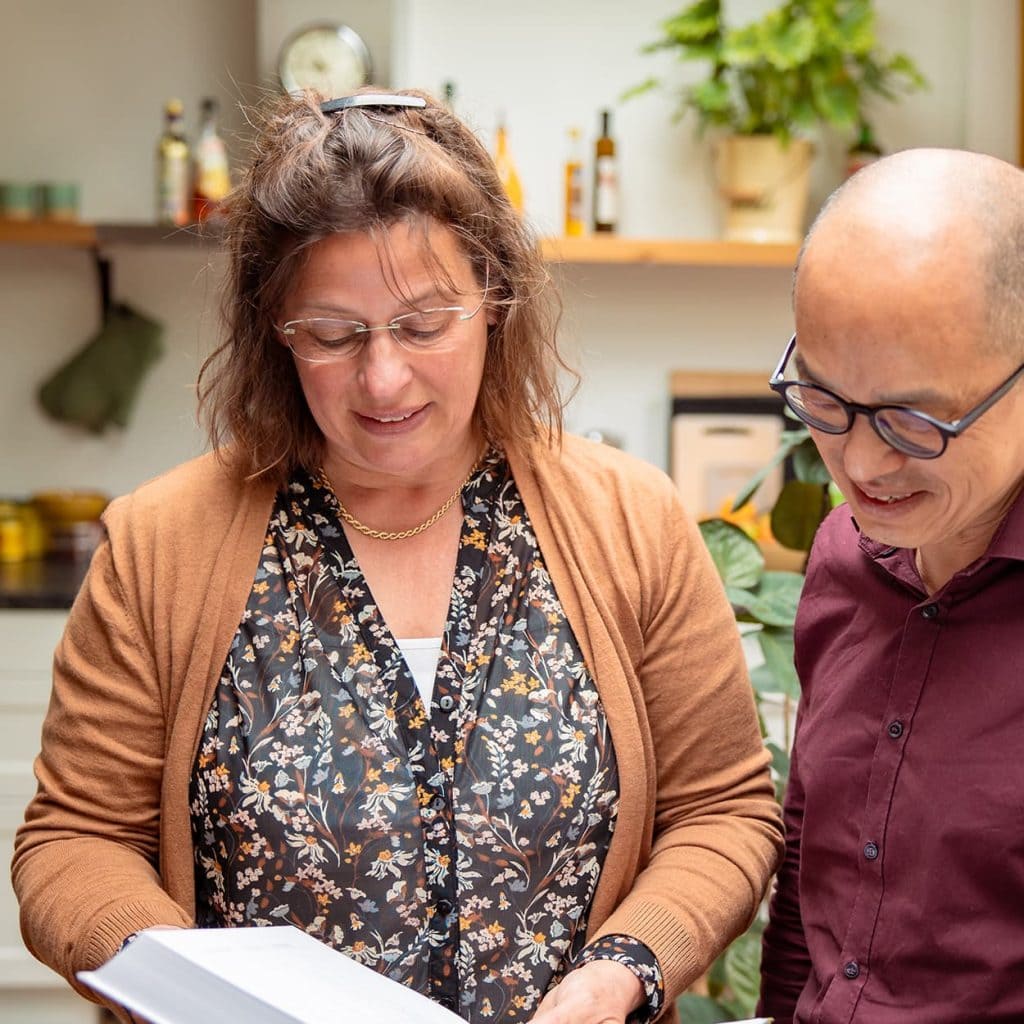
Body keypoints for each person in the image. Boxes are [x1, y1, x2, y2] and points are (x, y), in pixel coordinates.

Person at [13, 89, 782, 1024]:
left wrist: (623, 972)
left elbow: (722, 813)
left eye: (424, 324)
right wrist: (181, 981)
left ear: (495, 301)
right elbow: (75, 840)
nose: (383, 378)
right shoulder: (159, 545)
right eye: (333, 337)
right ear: (275, 333)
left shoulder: (630, 521)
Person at [759, 147, 1024, 1023]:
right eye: (825, 400)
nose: (863, 467)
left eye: (914, 421)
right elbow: (815, 867)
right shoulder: (843, 551)